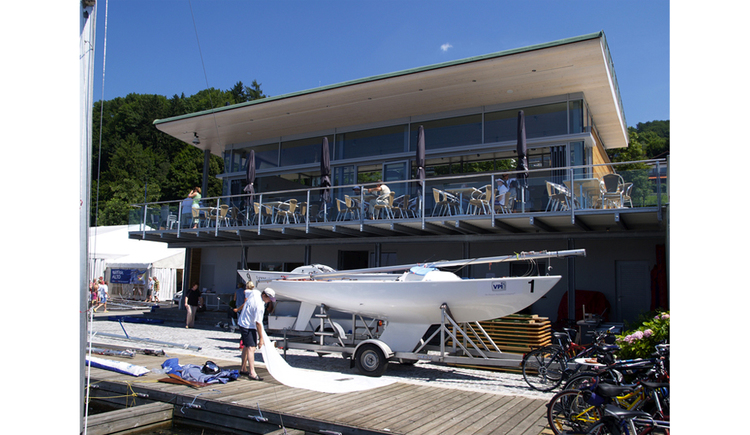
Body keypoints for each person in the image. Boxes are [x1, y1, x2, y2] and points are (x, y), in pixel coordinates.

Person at [233, 281, 276, 380]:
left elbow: (245, 293)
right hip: (248, 325)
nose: (269, 301)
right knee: (252, 348)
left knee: (246, 346)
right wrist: (261, 339)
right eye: (269, 298)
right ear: (264, 295)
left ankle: (243, 369)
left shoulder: (255, 292)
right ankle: (252, 372)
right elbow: (258, 323)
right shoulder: (259, 307)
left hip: (243, 322)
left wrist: (239, 309)